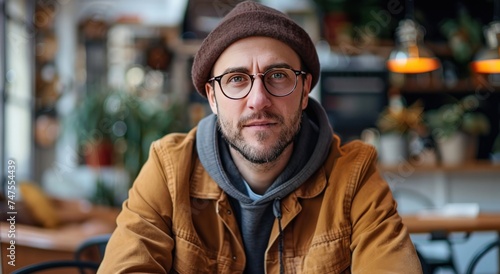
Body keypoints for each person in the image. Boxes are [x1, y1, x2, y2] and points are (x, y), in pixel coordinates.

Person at [98, 1, 423, 273]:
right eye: (237, 79)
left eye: (278, 76)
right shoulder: (169, 169)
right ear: (212, 97)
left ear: (305, 89)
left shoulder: (353, 175)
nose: (258, 100)